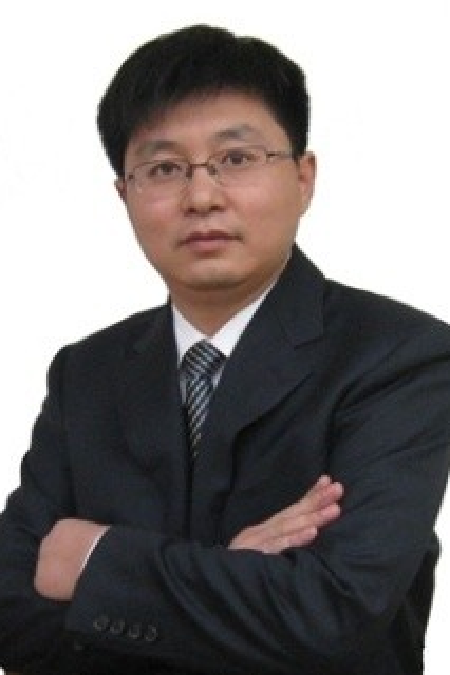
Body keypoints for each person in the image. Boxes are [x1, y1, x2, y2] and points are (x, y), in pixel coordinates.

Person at [0, 23, 449, 675]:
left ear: (304, 178)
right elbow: (10, 614)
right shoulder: (86, 373)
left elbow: (335, 614)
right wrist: (233, 572)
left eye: (236, 159)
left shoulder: (399, 358)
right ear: (124, 195)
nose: (202, 196)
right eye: (164, 168)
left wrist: (96, 559)